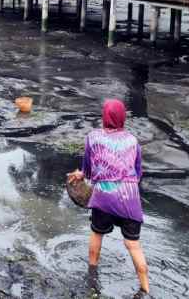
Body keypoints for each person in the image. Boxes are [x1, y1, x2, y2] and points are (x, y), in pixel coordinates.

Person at [68, 100, 150, 297]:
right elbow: (138, 175)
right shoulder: (133, 141)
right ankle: (145, 288)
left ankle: (92, 276)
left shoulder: (93, 137)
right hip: (130, 199)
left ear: (104, 116)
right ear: (122, 117)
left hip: (103, 197)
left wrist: (81, 175)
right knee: (133, 245)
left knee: (97, 234)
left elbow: (87, 170)